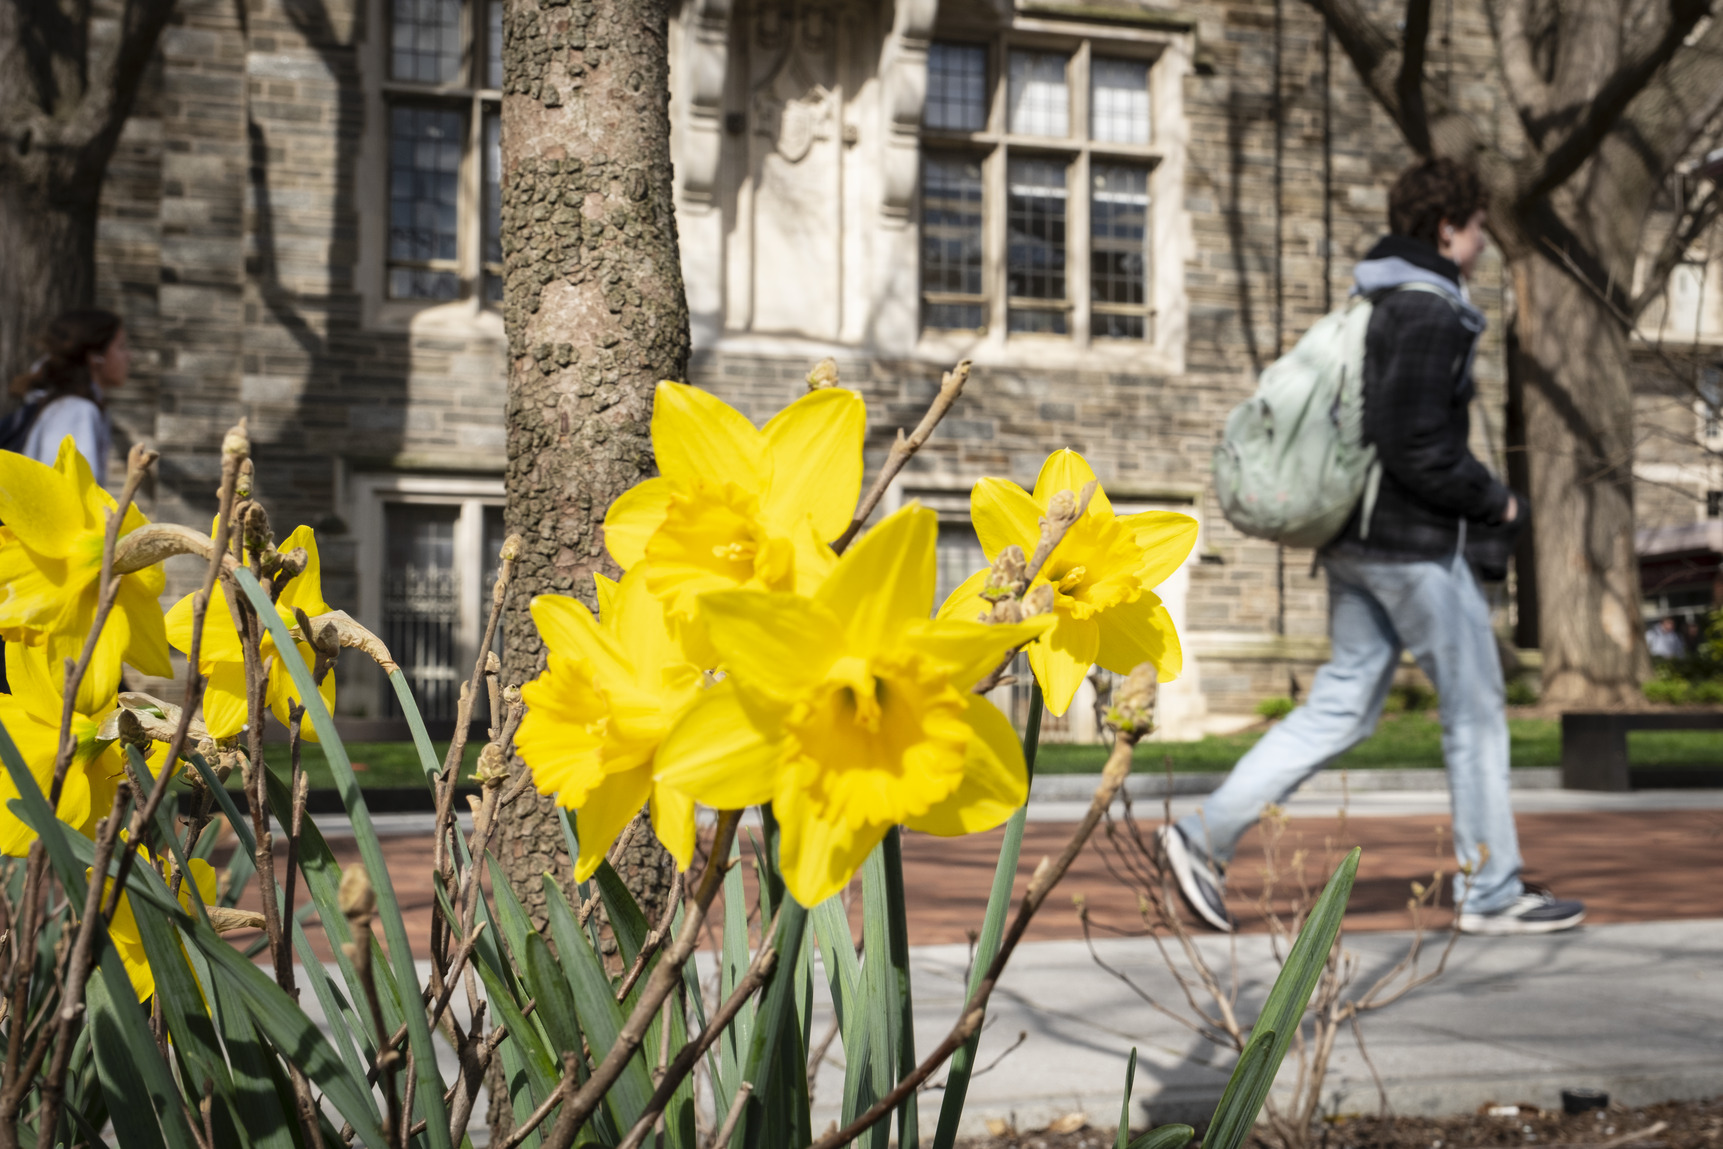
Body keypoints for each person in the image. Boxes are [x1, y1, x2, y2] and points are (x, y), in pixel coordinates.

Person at [1160, 157, 1585, 937]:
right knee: (1475, 712)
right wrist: (1495, 498)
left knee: (1342, 706)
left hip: (1354, 542)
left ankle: (1201, 835)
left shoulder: (1375, 300)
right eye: (1478, 230)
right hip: (1410, 550)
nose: (1482, 245)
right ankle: (1491, 891)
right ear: (1447, 230)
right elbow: (1413, 442)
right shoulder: (1429, 310)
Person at [7, 308, 130, 484]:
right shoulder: (76, 411)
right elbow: (67, 491)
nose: (129, 356)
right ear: (95, 357)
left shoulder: (74, 407)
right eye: (121, 347)